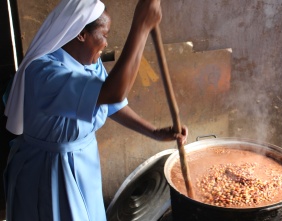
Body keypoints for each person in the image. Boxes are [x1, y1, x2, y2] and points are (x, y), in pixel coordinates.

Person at [3, 0, 188, 220]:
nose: (106, 43)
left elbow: (109, 103)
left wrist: (153, 132)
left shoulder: (88, 61)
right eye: (104, 35)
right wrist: (140, 27)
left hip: (83, 161)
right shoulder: (43, 73)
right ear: (81, 34)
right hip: (51, 170)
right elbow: (113, 93)